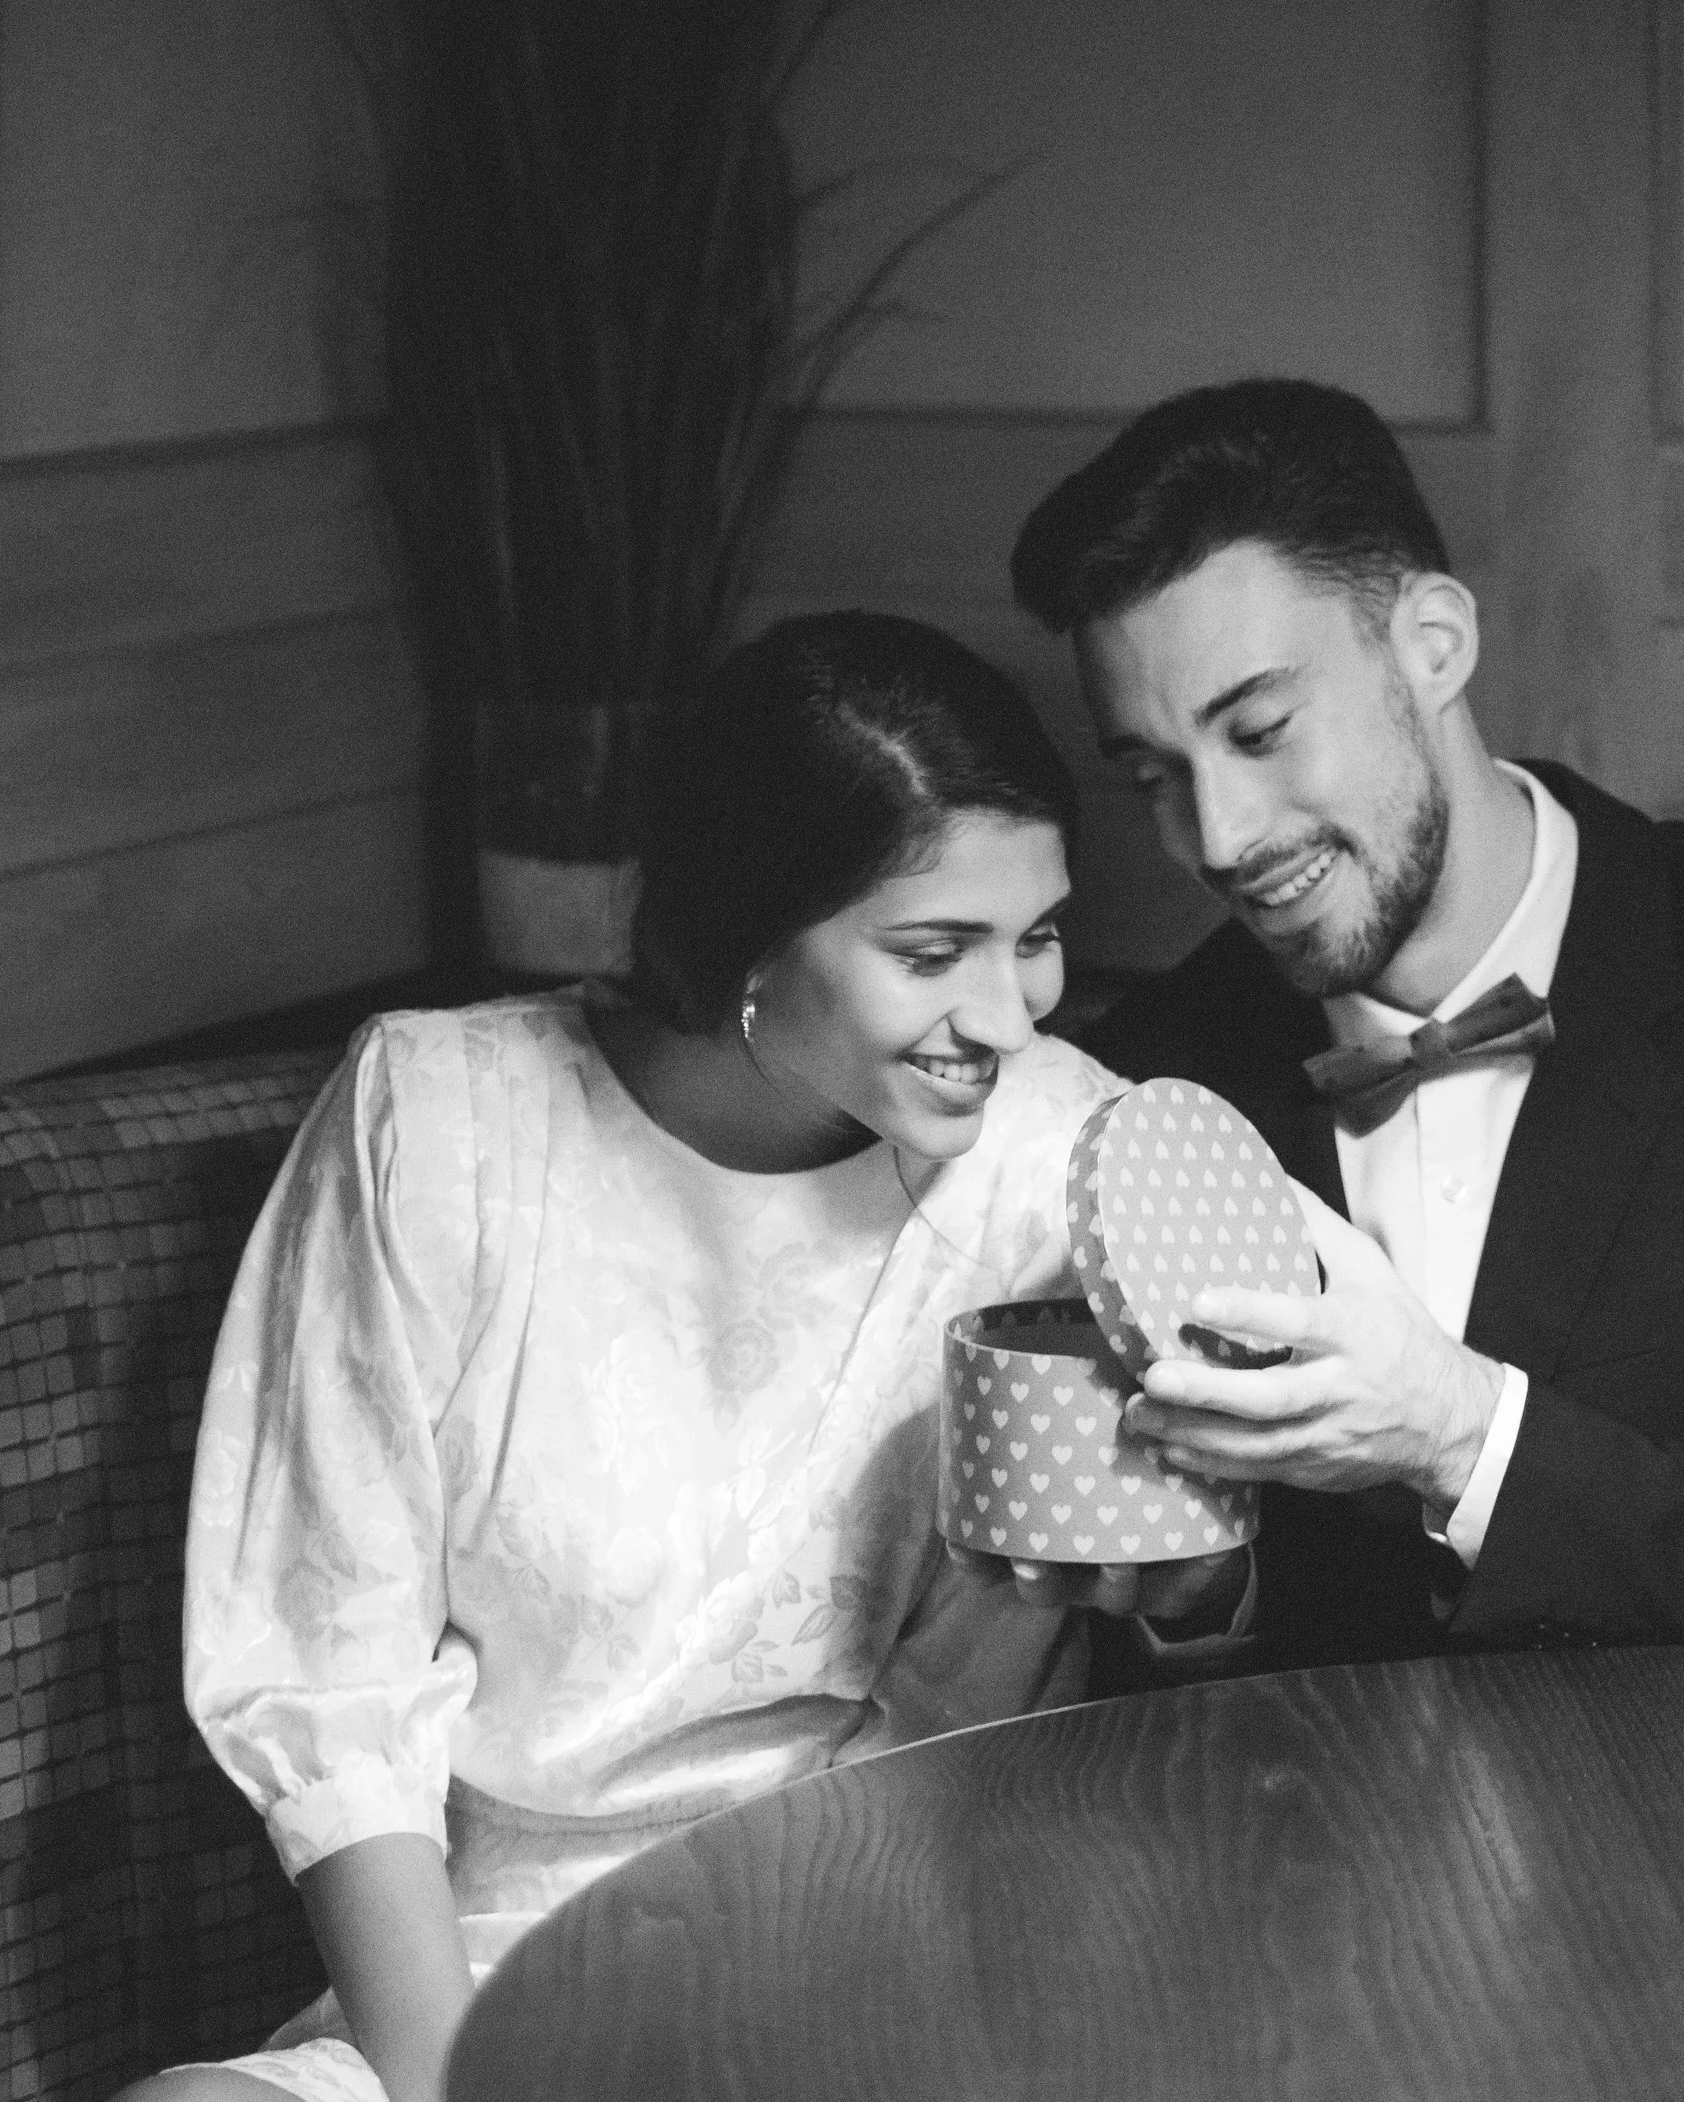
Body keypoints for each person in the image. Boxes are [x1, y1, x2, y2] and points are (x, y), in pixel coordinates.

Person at [125, 612, 1170, 2102]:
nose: (1007, 1017)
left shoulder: (1063, 1152)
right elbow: (326, 1682)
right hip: (480, 1979)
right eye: (934, 951)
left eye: (1040, 936)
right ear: (748, 930)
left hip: (869, 1958)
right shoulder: (443, 1120)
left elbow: (984, 1711)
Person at [1009, 378, 1684, 1675]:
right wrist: (1207, 1588)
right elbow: (1223, 1631)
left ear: (1433, 644)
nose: (1217, 836)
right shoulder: (1161, 1079)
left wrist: (1461, 1432)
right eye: (1154, 776)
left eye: (1260, 731)